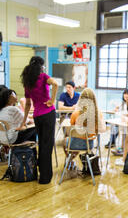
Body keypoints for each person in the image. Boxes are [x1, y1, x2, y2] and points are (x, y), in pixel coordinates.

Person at [20, 56, 58, 185]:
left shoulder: (28, 83)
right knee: (47, 145)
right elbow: (56, 84)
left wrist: (23, 121)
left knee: (41, 144)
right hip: (48, 114)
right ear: (40, 66)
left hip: (37, 116)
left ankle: (41, 173)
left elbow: (27, 105)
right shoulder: (43, 77)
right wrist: (52, 100)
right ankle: (45, 177)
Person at [64, 88, 106, 164]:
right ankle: (71, 160)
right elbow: (103, 129)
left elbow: (72, 128)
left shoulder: (76, 113)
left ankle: (70, 160)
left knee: (65, 140)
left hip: (74, 143)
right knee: (79, 139)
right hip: (89, 144)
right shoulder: (98, 114)